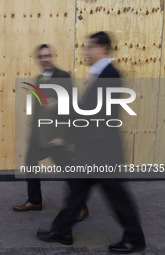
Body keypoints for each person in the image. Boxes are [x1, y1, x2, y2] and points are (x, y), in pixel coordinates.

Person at [36, 32, 145, 254]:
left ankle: (134, 238)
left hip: (103, 151)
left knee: (117, 196)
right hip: (93, 149)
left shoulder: (109, 74)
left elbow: (95, 112)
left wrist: (62, 106)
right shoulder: (99, 73)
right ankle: (62, 231)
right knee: (77, 191)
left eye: (90, 47)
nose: (86, 51)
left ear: (103, 48)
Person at [13, 44, 88, 222]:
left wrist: (63, 135)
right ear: (38, 59)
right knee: (30, 162)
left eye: (47, 56)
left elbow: (70, 104)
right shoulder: (39, 78)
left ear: (51, 57)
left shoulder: (62, 76)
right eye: (42, 56)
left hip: (56, 136)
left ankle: (81, 207)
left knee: (68, 172)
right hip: (40, 136)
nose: (45, 59)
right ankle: (35, 201)